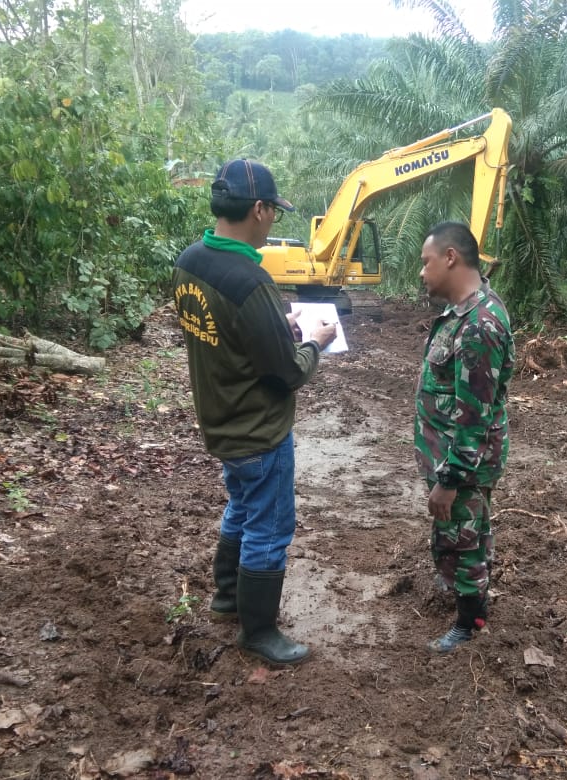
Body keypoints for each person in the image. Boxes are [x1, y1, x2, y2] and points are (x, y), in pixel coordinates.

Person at [172, 159, 337, 666]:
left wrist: (272, 324)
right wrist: (313, 340)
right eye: (274, 213)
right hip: (259, 430)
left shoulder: (190, 261)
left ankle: (226, 597)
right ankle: (260, 631)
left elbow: (226, 337)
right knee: (268, 526)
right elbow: (287, 372)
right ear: (259, 209)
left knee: (241, 507)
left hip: (220, 420)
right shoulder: (250, 280)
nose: (274, 223)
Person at [414, 221, 515, 654]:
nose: (421, 272)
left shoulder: (478, 325)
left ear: (450, 257)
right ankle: (460, 591)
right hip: (451, 460)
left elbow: (474, 417)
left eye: (426, 261)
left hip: (463, 464)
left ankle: (469, 623)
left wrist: (450, 480)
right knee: (458, 533)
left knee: (466, 539)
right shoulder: (462, 313)